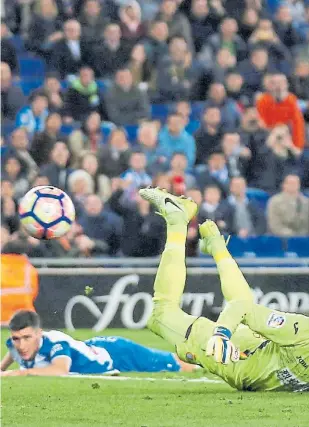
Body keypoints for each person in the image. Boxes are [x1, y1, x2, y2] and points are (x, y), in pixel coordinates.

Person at [137, 187, 309, 391]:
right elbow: (240, 308)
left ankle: (216, 244)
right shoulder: (302, 331)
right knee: (160, 314)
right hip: (241, 360)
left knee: (247, 312)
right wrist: (221, 335)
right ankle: (177, 221)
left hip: (255, 353)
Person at [0, 310, 195, 376]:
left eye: (27, 338)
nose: (21, 345)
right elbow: (8, 360)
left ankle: (205, 363)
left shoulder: (55, 342)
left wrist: (19, 373)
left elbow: (60, 370)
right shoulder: (15, 346)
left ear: (38, 334)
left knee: (173, 364)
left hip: (116, 355)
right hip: (94, 347)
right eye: (17, 338)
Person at [256, 73, 306, 151]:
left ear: (287, 85)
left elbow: (297, 124)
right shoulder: (263, 100)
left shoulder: (291, 101)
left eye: (282, 83)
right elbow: (261, 124)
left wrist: (296, 147)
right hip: (270, 138)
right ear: (269, 86)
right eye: (274, 83)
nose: (278, 86)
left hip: (288, 139)